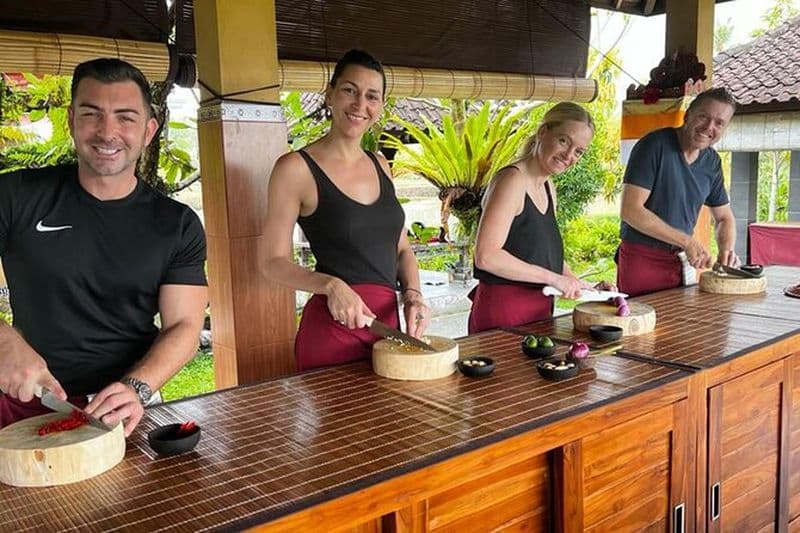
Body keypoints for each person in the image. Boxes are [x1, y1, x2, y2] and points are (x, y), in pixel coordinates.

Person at [0, 58, 208, 435]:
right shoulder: (15, 196)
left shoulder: (177, 225)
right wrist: (3, 341)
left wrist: (137, 387)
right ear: (71, 120)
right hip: (27, 398)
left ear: (149, 131)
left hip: (126, 409)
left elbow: (184, 326)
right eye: (92, 113)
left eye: (125, 117)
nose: (107, 131)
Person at [262, 49, 430, 371]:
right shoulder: (295, 168)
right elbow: (271, 263)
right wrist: (331, 285)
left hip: (388, 331)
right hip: (332, 331)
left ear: (380, 106)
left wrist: (413, 294)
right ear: (330, 95)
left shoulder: (381, 164)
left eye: (371, 96)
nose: (359, 105)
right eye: (349, 91)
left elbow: (402, 248)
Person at [469, 102, 607, 333]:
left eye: (579, 152)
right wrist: (553, 279)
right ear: (543, 132)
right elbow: (486, 256)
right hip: (504, 311)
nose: (569, 155)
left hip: (539, 310)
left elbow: (543, 253)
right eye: (564, 141)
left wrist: (581, 285)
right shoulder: (511, 181)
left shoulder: (548, 186)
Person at [617, 87, 738, 297]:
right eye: (703, 117)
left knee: (681, 325)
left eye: (719, 123)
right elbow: (630, 210)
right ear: (688, 114)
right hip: (641, 258)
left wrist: (726, 251)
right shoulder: (654, 145)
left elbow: (724, 217)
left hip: (681, 261)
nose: (709, 127)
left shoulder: (712, 162)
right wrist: (687, 241)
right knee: (640, 324)